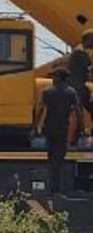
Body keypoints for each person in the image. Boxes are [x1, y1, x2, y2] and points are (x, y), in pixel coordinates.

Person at [35, 67, 84, 197]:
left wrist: (35, 126)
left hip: (49, 129)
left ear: (57, 78)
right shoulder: (71, 93)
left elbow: (40, 109)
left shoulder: (47, 91)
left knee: (50, 158)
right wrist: (82, 128)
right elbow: (78, 111)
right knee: (58, 160)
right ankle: (55, 189)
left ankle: (51, 187)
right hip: (62, 130)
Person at [67, 30, 93, 119]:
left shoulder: (78, 51)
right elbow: (90, 71)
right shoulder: (81, 53)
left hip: (78, 86)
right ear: (89, 40)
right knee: (78, 112)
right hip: (77, 87)